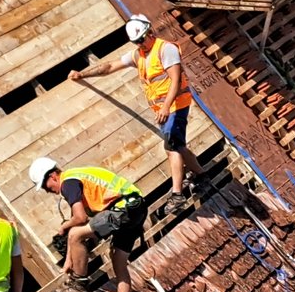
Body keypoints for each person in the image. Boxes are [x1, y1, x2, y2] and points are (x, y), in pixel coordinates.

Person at [70, 14, 201, 202]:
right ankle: (201, 174)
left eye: (142, 39)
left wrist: (165, 107)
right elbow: (109, 67)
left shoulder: (166, 49)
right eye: (136, 42)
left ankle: (177, 194)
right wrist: (82, 74)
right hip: (162, 110)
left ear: (150, 32)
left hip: (175, 105)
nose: (140, 44)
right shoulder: (138, 55)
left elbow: (176, 79)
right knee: (176, 145)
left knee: (172, 147)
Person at [30, 156, 144, 292]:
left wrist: (64, 227)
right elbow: (80, 227)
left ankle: (80, 285)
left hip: (123, 208)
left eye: (46, 186)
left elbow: (79, 218)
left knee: (75, 232)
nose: (48, 191)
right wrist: (69, 261)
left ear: (53, 176)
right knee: (118, 261)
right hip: (136, 208)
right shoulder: (77, 178)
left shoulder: (68, 183)